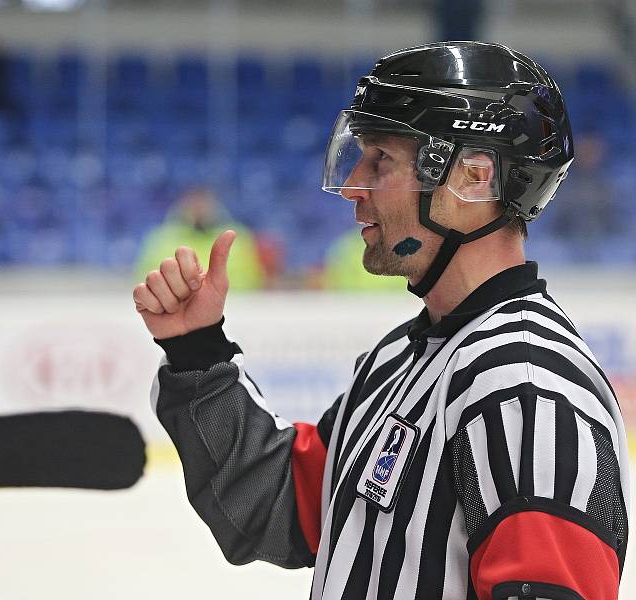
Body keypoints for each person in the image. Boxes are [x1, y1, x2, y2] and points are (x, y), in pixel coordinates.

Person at [133, 42, 629, 599]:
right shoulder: (397, 361)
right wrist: (198, 350)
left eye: (381, 161)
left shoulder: (528, 390)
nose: (352, 186)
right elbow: (278, 509)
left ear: (472, 177)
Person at [134, 187, 265, 290]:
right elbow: (146, 277)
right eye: (195, 203)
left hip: (235, 306)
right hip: (177, 307)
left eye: (204, 203)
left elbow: (253, 278)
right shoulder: (161, 238)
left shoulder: (237, 237)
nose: (200, 209)